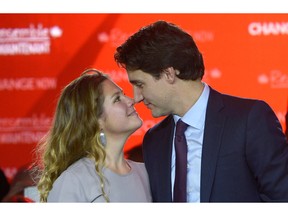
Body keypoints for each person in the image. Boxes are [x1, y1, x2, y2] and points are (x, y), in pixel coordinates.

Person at [114, 20, 288, 202]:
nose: (136, 97)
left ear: (169, 74)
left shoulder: (249, 120)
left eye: (140, 84)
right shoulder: (154, 139)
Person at [36, 69, 152, 202]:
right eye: (117, 99)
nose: (131, 100)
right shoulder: (74, 180)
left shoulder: (146, 173)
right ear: (95, 120)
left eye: (124, 94)